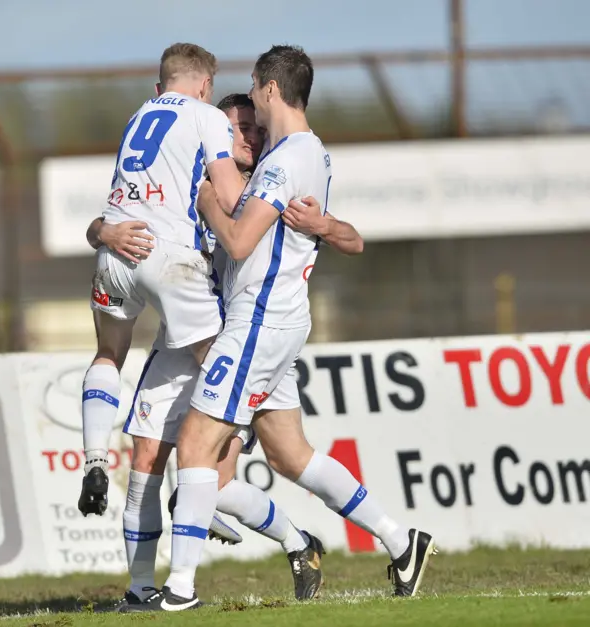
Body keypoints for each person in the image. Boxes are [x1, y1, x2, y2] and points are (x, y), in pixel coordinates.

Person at [153, 45, 435, 612]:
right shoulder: (303, 152)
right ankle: (402, 541)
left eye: (254, 91)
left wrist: (209, 201)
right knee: (290, 456)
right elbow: (323, 235)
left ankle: (179, 590)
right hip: (275, 319)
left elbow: (237, 239)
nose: (250, 107)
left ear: (270, 89)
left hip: (260, 320)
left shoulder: (285, 159)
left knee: (195, 447)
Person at [87, 93, 364, 608]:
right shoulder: (190, 174)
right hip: (182, 338)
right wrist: (103, 229)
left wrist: (324, 225)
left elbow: (348, 237)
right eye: (235, 128)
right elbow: (109, 218)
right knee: (147, 458)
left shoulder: (267, 187)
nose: (246, 137)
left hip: (236, 342)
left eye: (251, 128)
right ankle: (141, 591)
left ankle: (293, 541)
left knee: (213, 477)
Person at [79, 42, 245, 518]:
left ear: (161, 84)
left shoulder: (137, 115)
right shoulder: (206, 115)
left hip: (115, 247)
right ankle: (202, 486)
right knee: (224, 365)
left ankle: (94, 460)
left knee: (108, 353)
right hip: (169, 255)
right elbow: (231, 198)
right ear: (205, 85)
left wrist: (103, 233)